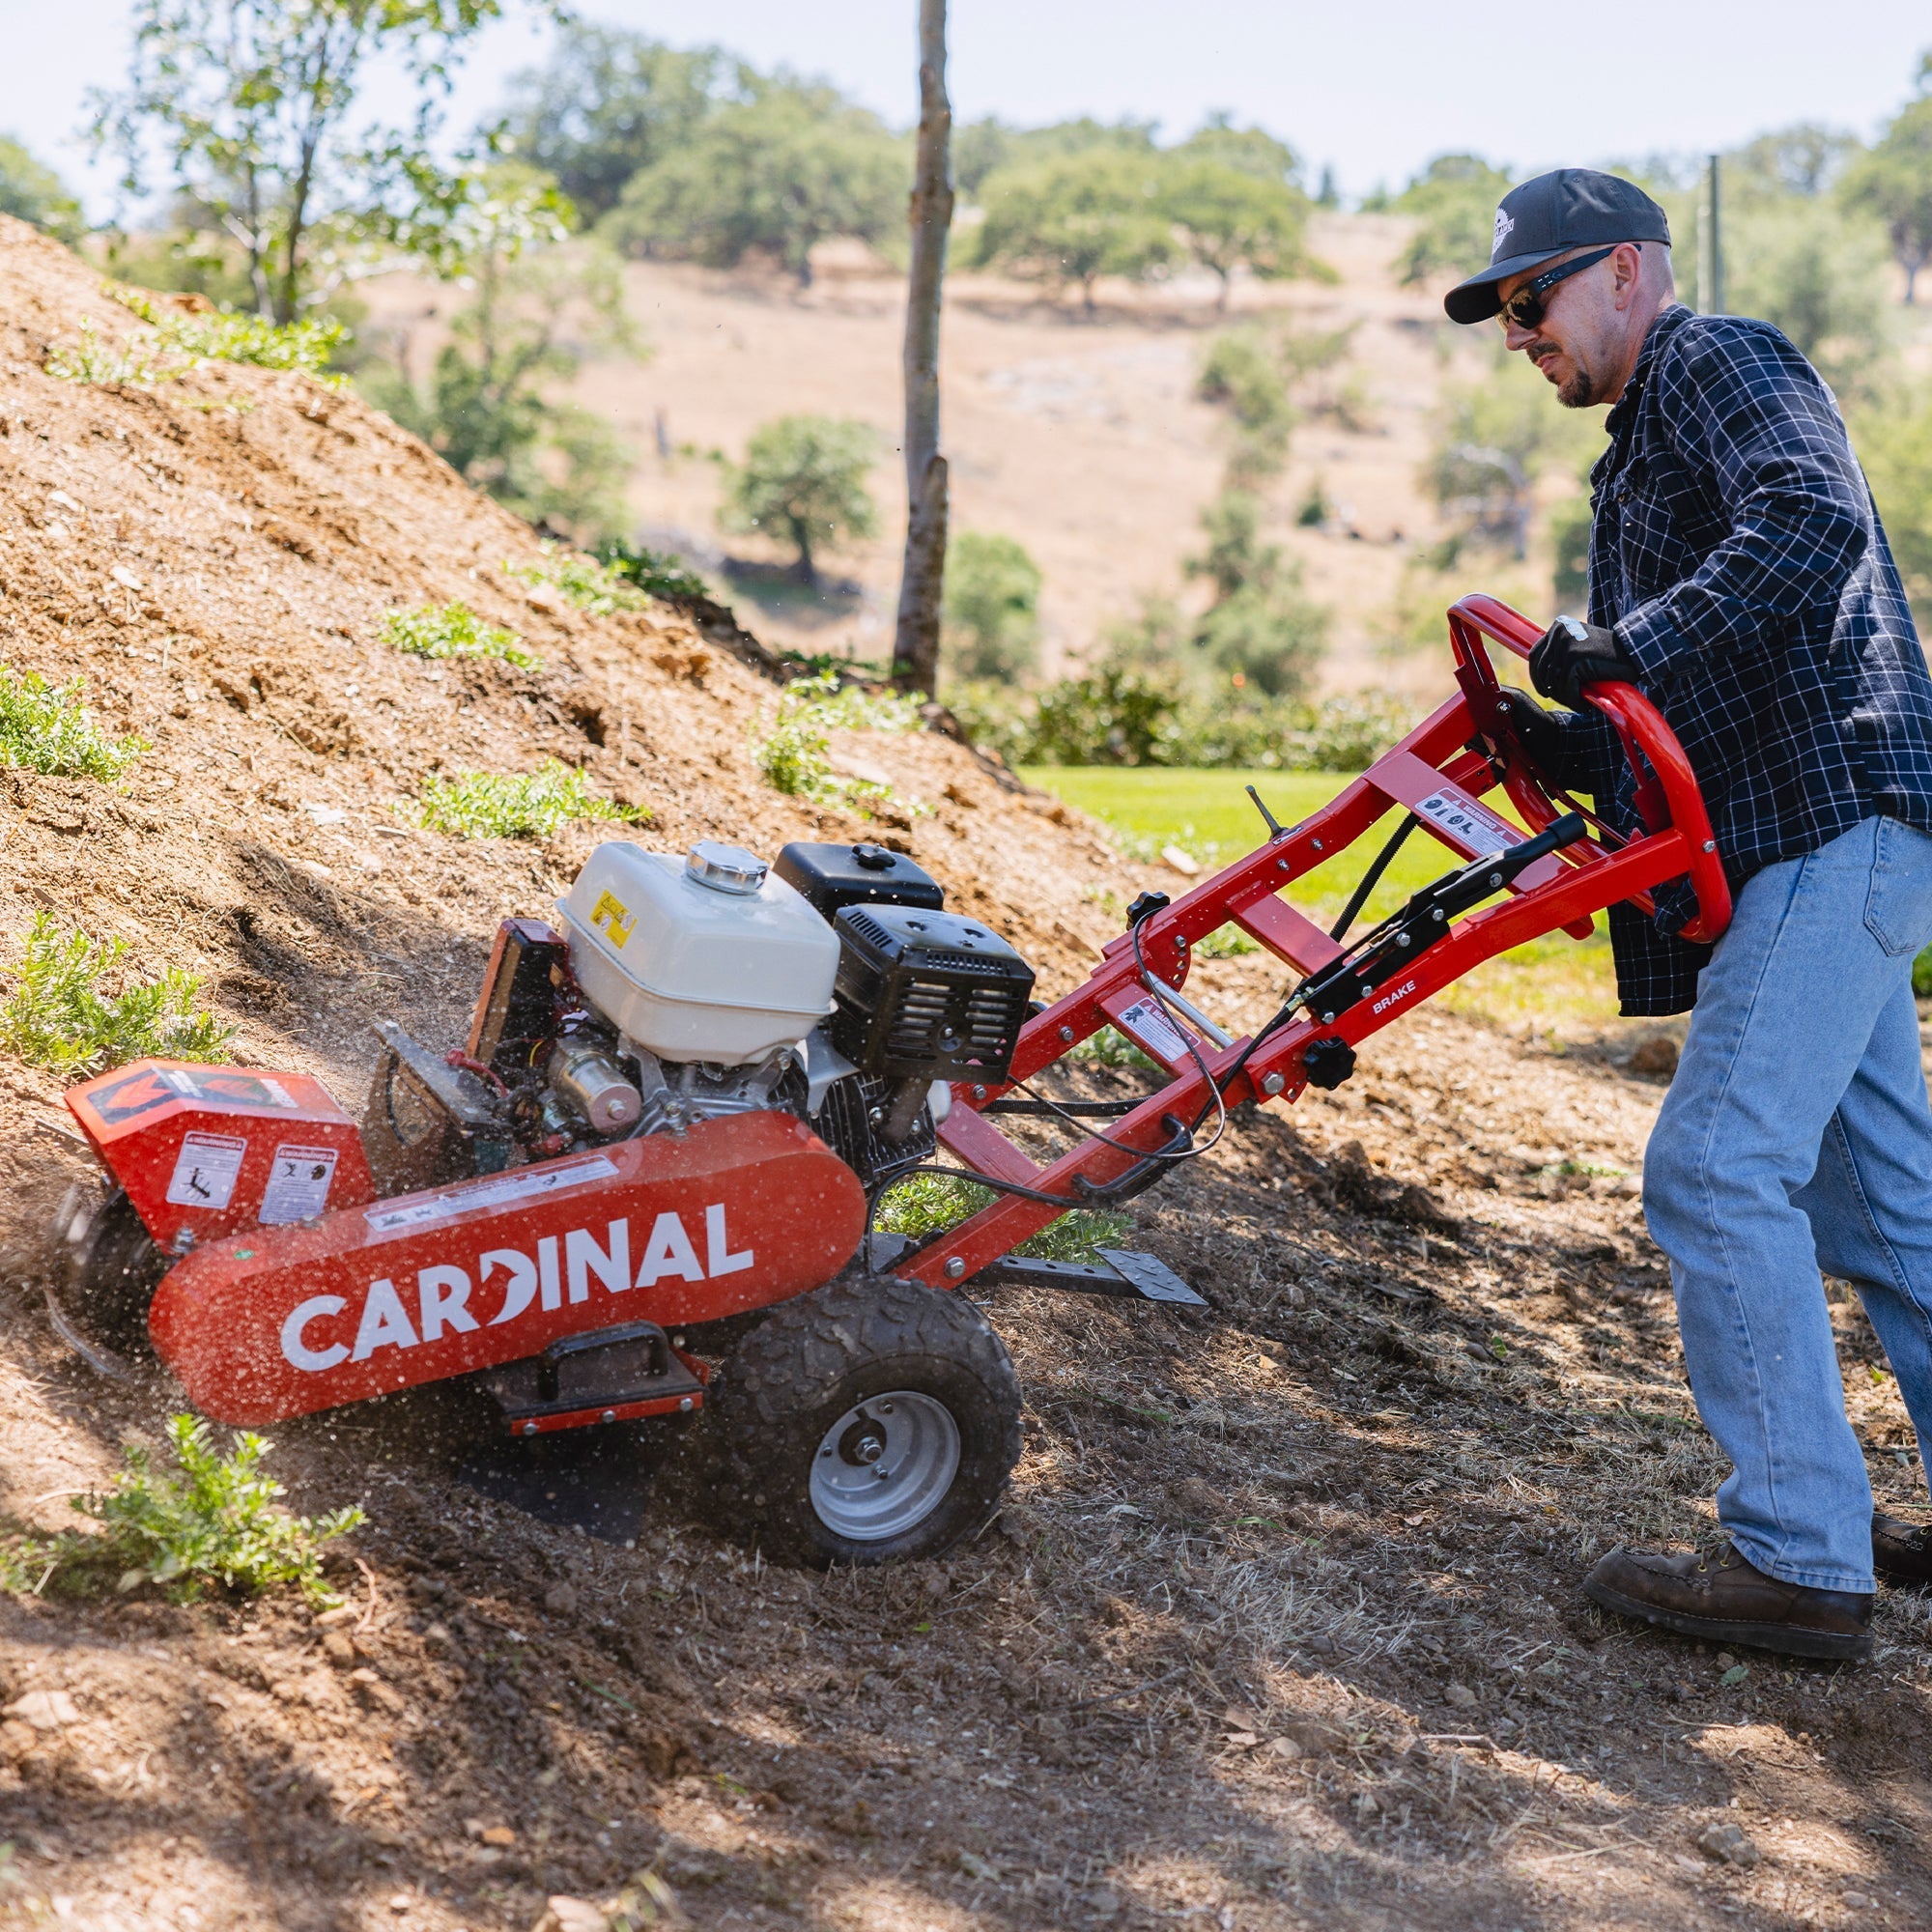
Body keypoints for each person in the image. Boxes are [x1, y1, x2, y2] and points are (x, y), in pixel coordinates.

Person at [1444, 168, 1932, 1661]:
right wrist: (1564, 738)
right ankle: (1824, 1533)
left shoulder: (1719, 360)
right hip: (1810, 825)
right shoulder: (1634, 452)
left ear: (1630, 272)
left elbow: (1807, 527)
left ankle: (1797, 1557)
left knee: (1715, 1168)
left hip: (1828, 817)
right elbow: (1681, 694)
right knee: (1885, 1208)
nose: (1522, 335)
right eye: (1505, 316)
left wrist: (1617, 646)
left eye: (1536, 299)